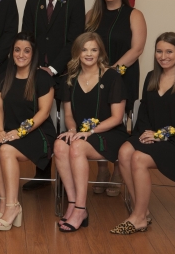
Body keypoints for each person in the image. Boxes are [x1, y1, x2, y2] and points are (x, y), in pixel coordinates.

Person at [111, 32, 175, 235]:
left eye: (169, 51)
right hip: (155, 136)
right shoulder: (151, 77)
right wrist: (149, 134)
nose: (163, 56)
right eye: (159, 51)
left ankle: (138, 218)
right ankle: (142, 209)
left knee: (138, 158)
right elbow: (145, 112)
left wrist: (161, 135)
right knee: (124, 152)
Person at [21, 0, 86, 190]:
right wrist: (36, 68)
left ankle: (65, 176)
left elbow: (74, 41)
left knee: (65, 120)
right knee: (42, 120)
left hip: (65, 72)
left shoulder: (76, 2)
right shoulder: (32, 3)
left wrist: (53, 68)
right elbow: (27, 39)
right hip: (37, 73)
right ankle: (42, 173)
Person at [54, 32, 128, 232]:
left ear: (100, 53)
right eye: (84, 49)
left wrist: (90, 131)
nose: (89, 54)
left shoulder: (112, 77)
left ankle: (80, 208)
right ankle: (72, 203)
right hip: (81, 133)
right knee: (60, 145)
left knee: (77, 147)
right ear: (77, 53)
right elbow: (68, 113)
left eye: (94, 50)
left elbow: (116, 118)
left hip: (110, 133)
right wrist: (71, 129)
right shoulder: (69, 79)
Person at [0, 32, 57, 231]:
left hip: (39, 133)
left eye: (26, 51)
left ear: (33, 54)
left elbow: (43, 113)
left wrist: (21, 132)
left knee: (6, 150)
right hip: (9, 131)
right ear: (12, 52)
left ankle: (11, 206)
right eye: (17, 50)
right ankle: (5, 200)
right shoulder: (4, 77)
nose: (21, 54)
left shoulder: (42, 78)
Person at [85, 0, 147, 197]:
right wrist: (98, 73)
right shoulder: (92, 15)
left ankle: (119, 171)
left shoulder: (134, 14)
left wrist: (111, 72)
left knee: (119, 122)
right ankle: (102, 170)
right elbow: (85, 46)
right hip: (93, 78)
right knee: (95, 120)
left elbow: (137, 49)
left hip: (123, 76)